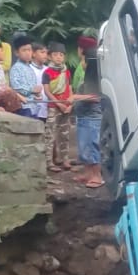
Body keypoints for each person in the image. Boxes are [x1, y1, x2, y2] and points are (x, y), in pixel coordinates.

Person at [71, 37, 104, 189]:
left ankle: (97, 176)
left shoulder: (94, 69)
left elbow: (95, 97)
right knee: (84, 146)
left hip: (92, 116)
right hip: (84, 115)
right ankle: (88, 173)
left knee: (92, 145)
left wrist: (75, 97)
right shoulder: (90, 69)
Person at [43, 42, 76, 172]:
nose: (58, 57)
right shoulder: (47, 72)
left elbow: (69, 87)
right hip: (53, 106)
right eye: (55, 55)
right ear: (50, 56)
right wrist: (58, 104)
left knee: (65, 134)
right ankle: (49, 162)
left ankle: (65, 159)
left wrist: (70, 103)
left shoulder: (66, 71)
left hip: (66, 106)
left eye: (61, 55)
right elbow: (47, 91)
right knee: (50, 135)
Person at [9, 35, 46, 123]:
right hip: (23, 107)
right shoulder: (16, 68)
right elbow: (16, 87)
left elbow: (34, 87)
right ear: (17, 53)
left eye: (29, 50)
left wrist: (38, 94)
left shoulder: (30, 68)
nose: (27, 53)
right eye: (24, 50)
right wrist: (32, 90)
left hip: (34, 107)